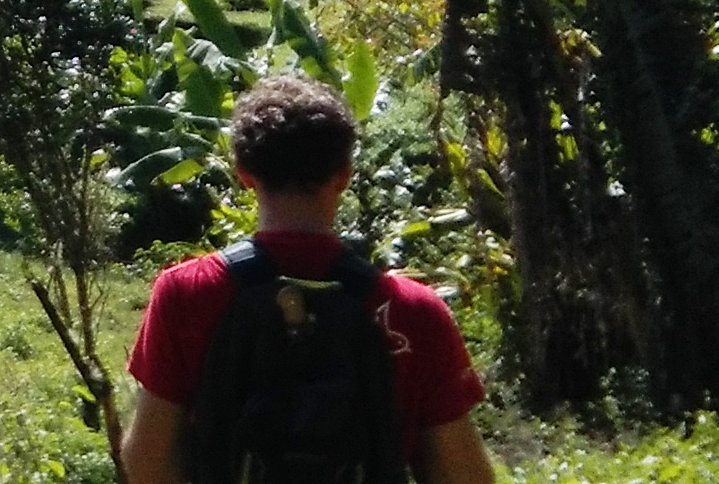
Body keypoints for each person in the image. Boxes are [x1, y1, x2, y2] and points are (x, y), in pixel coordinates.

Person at [118, 76, 493, 484]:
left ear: (244, 173)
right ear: (345, 174)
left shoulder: (187, 293)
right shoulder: (414, 311)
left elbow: (147, 463)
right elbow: (463, 476)